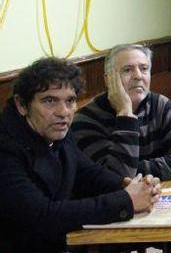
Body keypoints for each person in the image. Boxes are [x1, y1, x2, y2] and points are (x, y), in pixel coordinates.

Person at [0, 57, 161, 253]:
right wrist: (126, 200)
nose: (63, 112)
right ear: (22, 105)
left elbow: (88, 173)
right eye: (49, 101)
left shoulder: (54, 130)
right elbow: (42, 216)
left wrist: (126, 185)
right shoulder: (6, 147)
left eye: (70, 100)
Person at [72, 43, 171, 180]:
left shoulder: (161, 105)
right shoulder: (86, 119)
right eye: (127, 70)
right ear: (108, 80)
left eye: (144, 68)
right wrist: (125, 113)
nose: (138, 76)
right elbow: (114, 179)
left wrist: (134, 169)